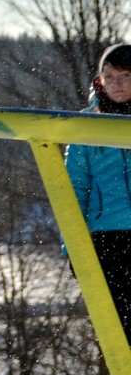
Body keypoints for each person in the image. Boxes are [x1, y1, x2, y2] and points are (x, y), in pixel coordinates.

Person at [65, 42, 131, 340]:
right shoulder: (85, 126)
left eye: (126, 76)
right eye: (110, 76)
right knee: (118, 328)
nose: (117, 84)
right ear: (99, 81)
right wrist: (73, 248)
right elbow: (73, 191)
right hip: (107, 238)